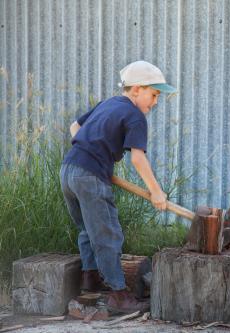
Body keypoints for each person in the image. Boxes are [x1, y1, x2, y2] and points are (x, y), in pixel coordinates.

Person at [60, 60, 176, 313]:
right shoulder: (135, 116)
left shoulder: (109, 104)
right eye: (153, 94)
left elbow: (75, 127)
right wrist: (156, 191)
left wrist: (84, 148)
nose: (155, 102)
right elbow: (137, 157)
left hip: (68, 170)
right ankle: (119, 295)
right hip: (90, 177)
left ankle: (90, 278)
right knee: (108, 234)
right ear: (136, 89)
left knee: (87, 229)